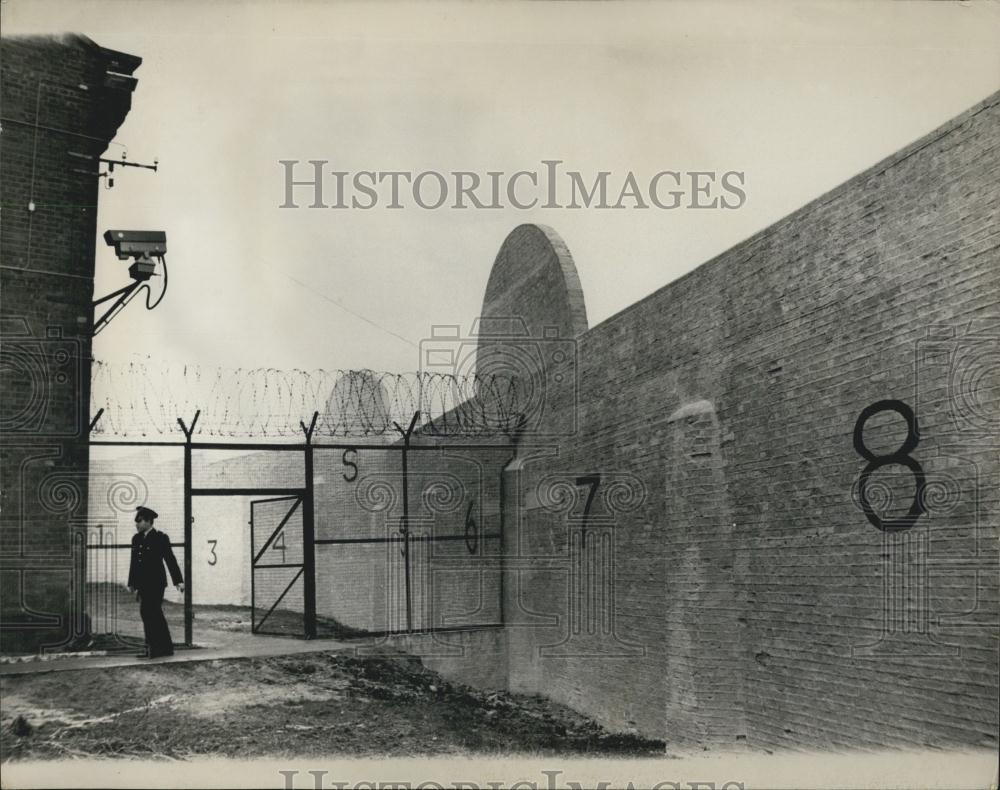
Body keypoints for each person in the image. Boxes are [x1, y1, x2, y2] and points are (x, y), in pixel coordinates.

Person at [127, 506, 184, 658]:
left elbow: (170, 559)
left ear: (148, 521)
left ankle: (156, 649)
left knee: (151, 612)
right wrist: (132, 582)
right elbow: (134, 562)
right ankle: (161, 648)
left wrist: (178, 581)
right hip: (142, 584)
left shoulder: (160, 538)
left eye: (139, 521)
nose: (136, 524)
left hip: (156, 583)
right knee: (149, 613)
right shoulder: (136, 539)